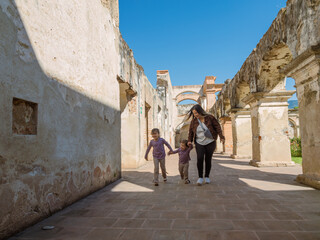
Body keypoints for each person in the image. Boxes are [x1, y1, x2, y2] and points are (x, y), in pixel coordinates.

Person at [187, 104, 225, 186]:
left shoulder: (210, 118)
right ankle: (200, 177)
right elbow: (190, 132)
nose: (195, 115)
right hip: (199, 142)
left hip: (210, 142)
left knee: (208, 159)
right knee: (200, 158)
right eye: (194, 114)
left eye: (196, 113)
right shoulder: (194, 122)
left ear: (200, 111)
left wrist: (221, 136)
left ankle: (207, 176)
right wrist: (189, 140)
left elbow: (217, 127)